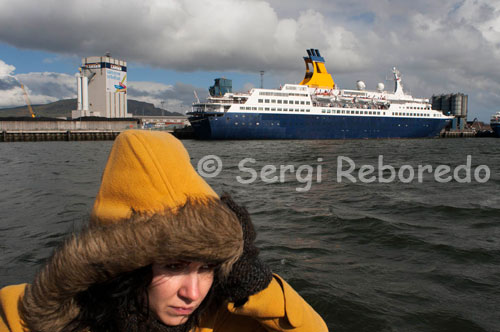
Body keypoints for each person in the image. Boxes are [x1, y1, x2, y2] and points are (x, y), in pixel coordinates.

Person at [0, 130, 328, 332]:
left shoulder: (221, 319)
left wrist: (252, 283)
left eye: (207, 268)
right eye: (174, 266)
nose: (193, 294)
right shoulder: (23, 315)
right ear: (123, 264)